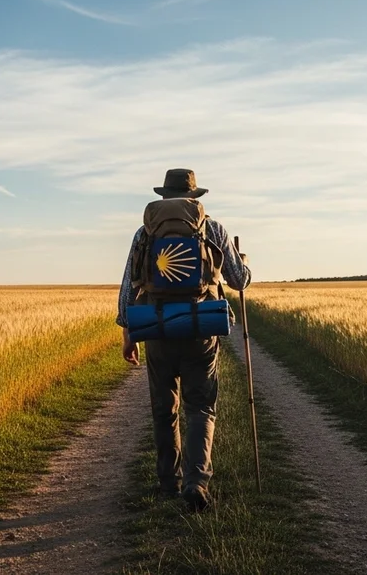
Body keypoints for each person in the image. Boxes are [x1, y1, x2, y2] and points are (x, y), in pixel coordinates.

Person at [117, 168, 251, 512]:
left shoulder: (144, 231)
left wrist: (128, 333)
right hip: (201, 328)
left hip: (157, 328)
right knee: (201, 407)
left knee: (164, 410)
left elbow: (128, 288)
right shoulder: (214, 228)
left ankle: (168, 482)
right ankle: (196, 482)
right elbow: (238, 281)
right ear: (195, 197)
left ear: (163, 196)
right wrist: (244, 264)